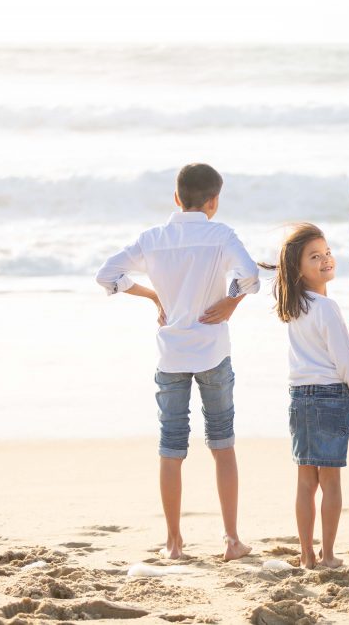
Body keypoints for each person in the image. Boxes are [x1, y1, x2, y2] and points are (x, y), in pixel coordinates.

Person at [95, 162, 259, 561]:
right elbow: (252, 275)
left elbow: (107, 274)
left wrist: (153, 296)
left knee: (171, 446)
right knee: (222, 444)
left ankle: (173, 543)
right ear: (213, 201)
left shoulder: (153, 238)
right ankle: (232, 540)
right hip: (213, 351)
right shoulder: (220, 235)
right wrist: (231, 301)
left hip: (171, 355)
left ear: (176, 197)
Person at [261, 223, 349, 569]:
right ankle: (329, 554)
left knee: (306, 480)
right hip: (329, 397)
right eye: (314, 256)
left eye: (327, 253)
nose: (325, 260)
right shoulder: (325, 307)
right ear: (297, 268)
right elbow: (345, 360)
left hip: (299, 397)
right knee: (330, 480)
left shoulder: (294, 308)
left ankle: (307, 554)